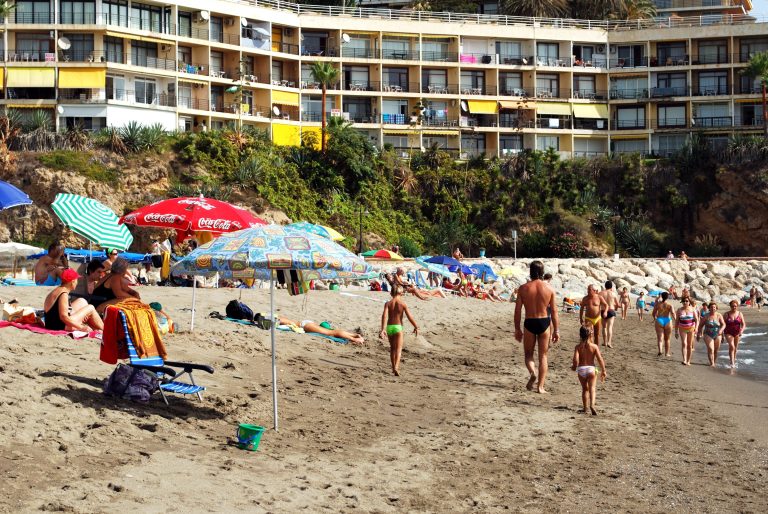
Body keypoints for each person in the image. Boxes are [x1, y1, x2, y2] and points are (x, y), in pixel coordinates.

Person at [514, 261, 560, 393]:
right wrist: (556, 330)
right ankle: (540, 387)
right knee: (543, 356)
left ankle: (532, 372)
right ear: (542, 272)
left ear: (530, 272)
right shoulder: (550, 289)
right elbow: (555, 312)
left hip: (529, 322)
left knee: (528, 354)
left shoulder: (523, 288)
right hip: (544, 322)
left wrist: (517, 329)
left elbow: (517, 311)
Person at [379, 284, 419, 376]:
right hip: (398, 327)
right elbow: (409, 317)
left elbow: (384, 316)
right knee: (398, 349)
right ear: (401, 293)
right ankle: (397, 367)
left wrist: (383, 329)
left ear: (392, 293)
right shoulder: (402, 304)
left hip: (389, 327)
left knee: (392, 348)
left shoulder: (388, 303)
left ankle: (393, 368)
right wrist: (416, 326)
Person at [571, 325, 607, 415]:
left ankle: (585, 408)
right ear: (591, 334)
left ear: (580, 335)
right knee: (592, 388)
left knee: (584, 389)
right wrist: (603, 370)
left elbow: (575, 359)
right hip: (591, 369)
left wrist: (574, 367)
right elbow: (600, 359)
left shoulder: (578, 347)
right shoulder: (594, 346)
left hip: (581, 369)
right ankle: (592, 405)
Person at [278, 317, 364, 345]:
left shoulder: (286, 321)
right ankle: (354, 336)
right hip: (306, 324)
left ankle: (354, 338)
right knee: (332, 331)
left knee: (331, 333)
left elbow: (281, 320)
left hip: (306, 325)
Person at [697, 302, 725, 367]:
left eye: (714, 307)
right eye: (711, 307)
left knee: (716, 350)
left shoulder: (719, 315)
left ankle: (713, 362)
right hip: (708, 334)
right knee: (711, 349)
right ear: (709, 308)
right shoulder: (706, 316)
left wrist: (721, 331)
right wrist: (698, 333)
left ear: (716, 308)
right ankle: (712, 363)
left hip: (718, 334)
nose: (713, 308)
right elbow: (700, 325)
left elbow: (723, 324)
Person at [675, 297, 698, 366]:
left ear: (689, 302)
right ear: (681, 302)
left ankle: (688, 361)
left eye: (686, 301)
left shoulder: (693, 309)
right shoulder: (679, 310)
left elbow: (697, 320)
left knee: (689, 345)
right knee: (684, 344)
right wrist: (676, 331)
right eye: (683, 301)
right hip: (682, 328)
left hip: (691, 328)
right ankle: (684, 360)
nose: (685, 302)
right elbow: (677, 321)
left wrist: (696, 328)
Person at [723, 300, 746, 368]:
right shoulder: (726, 314)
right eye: (732, 306)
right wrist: (721, 334)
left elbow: (743, 324)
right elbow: (722, 324)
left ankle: (733, 360)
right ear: (730, 306)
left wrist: (741, 331)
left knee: (735, 348)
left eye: (735, 306)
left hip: (737, 332)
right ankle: (732, 363)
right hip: (728, 332)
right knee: (732, 346)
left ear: (737, 306)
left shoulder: (740, 314)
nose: (734, 307)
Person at [652, 292, 676, 357]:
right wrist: (676, 321)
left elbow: (653, 313)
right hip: (668, 320)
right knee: (667, 339)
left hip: (659, 320)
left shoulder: (658, 304)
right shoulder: (670, 305)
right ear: (667, 297)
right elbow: (673, 313)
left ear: (661, 296)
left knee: (660, 338)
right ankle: (667, 353)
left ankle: (660, 351)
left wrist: (655, 318)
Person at [598, 281, 619, 348]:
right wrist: (615, 307)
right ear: (611, 287)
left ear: (605, 286)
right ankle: (609, 342)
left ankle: (604, 342)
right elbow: (617, 304)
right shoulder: (613, 294)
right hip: (611, 310)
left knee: (604, 327)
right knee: (610, 327)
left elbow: (598, 303)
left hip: (603, 310)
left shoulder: (600, 293)